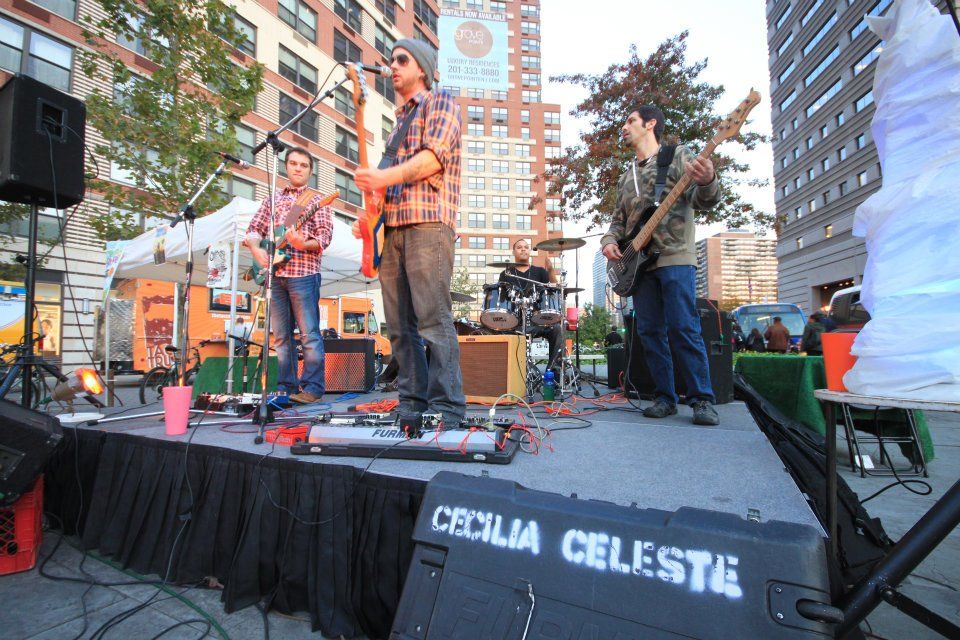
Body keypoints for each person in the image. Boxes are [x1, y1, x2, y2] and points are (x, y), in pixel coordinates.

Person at [352, 39, 465, 426]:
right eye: (391, 60)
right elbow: (385, 185)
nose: (393, 65)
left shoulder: (440, 101)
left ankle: (448, 408)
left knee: (433, 320)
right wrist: (369, 220)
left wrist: (382, 178)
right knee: (400, 328)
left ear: (423, 69)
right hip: (393, 231)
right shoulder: (398, 124)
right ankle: (412, 404)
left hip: (428, 224)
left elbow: (433, 159)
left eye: (402, 59)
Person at [600, 104, 720, 426]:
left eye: (631, 121)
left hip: (674, 255)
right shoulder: (626, 177)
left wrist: (708, 180)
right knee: (650, 331)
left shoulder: (678, 156)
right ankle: (664, 398)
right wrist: (609, 241)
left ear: (650, 123)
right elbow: (618, 221)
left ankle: (702, 399)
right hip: (639, 264)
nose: (624, 127)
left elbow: (703, 200)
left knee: (684, 327)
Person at [245, 146, 333, 404]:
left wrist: (301, 243)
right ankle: (286, 387)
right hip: (274, 275)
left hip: (304, 274)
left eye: (303, 165)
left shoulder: (317, 200)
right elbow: (253, 230)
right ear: (286, 166)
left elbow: (324, 238)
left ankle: (312, 388)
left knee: (309, 334)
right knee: (281, 336)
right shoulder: (272, 199)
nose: (298, 168)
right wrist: (257, 250)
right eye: (293, 163)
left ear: (311, 171)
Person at [499, 239, 564, 374]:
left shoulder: (540, 272)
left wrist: (550, 270)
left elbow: (554, 289)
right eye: (519, 247)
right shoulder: (506, 274)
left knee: (557, 329)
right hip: (514, 324)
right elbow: (501, 300)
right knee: (495, 331)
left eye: (526, 247)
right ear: (513, 252)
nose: (523, 249)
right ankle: (508, 374)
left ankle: (552, 373)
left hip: (537, 322)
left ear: (529, 251)